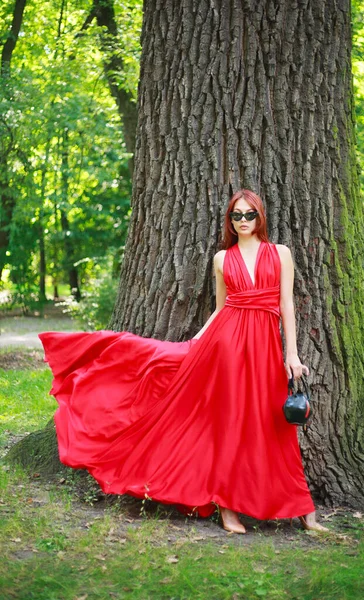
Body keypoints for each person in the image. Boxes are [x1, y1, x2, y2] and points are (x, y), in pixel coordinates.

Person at [39, 189, 328, 535]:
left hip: (266, 349)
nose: (243, 221)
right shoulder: (223, 259)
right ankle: (229, 508)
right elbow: (222, 309)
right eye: (236, 216)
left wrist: (292, 355)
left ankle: (303, 510)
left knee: (274, 426)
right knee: (231, 426)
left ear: (261, 216)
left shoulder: (281, 254)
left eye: (250, 214)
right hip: (227, 347)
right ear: (229, 220)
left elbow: (287, 307)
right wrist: (196, 341)